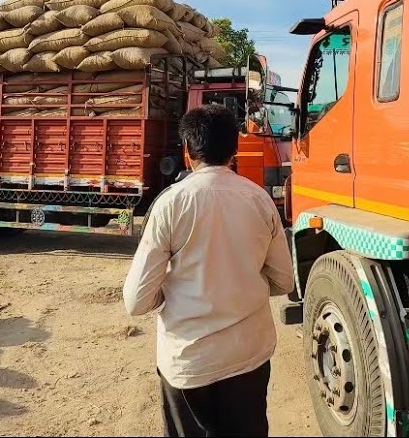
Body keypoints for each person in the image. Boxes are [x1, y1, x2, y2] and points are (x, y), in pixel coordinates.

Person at [123, 103, 295, 437]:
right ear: (235, 150)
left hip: (190, 364)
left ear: (187, 152)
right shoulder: (260, 201)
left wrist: (171, 290)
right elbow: (284, 280)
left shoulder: (170, 204)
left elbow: (136, 301)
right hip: (250, 356)